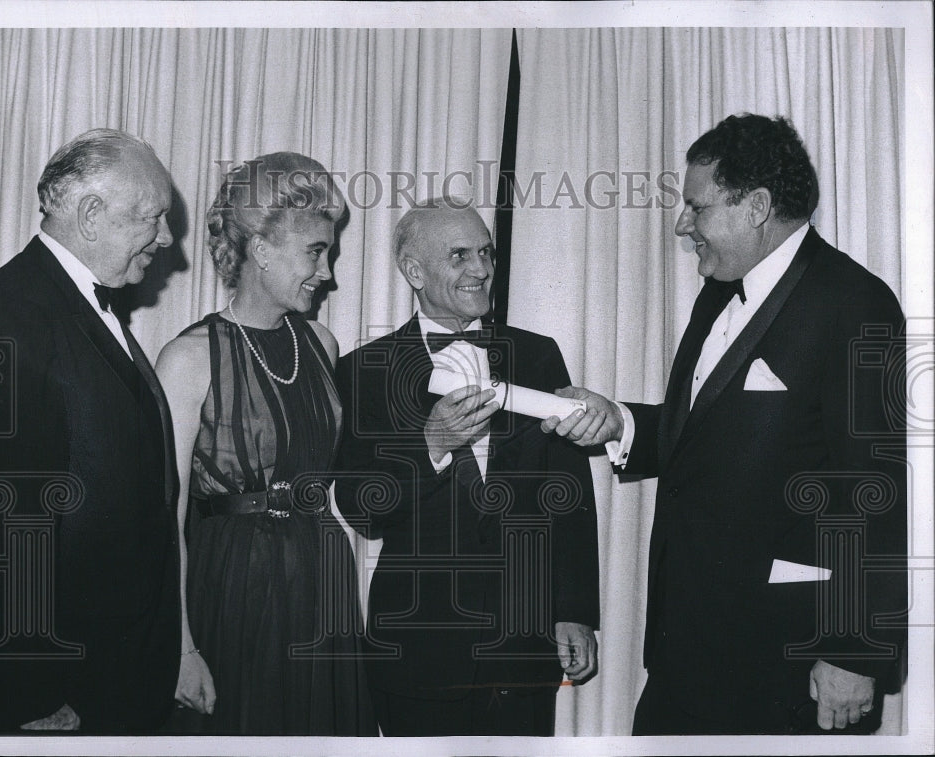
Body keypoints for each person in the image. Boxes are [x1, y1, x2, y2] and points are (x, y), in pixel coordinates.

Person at [543, 114, 907, 735]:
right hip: (685, 652)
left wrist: (854, 652)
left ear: (758, 205)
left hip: (784, 668)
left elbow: (878, 489)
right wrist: (619, 423)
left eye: (697, 207)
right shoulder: (718, 291)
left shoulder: (856, 303)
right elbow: (711, 434)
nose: (683, 225)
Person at [333, 198, 600, 736]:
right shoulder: (361, 371)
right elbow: (362, 510)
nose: (480, 270)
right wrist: (429, 443)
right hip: (417, 653)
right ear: (414, 271)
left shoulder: (537, 355)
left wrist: (575, 610)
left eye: (485, 253)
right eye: (459, 255)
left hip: (523, 652)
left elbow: (569, 493)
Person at [0, 129, 182, 733]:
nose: (165, 239)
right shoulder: (13, 315)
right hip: (60, 694)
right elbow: (0, 525)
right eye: (153, 218)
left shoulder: (72, 302)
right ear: (89, 214)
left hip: (113, 675)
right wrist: (32, 694)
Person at [154, 152, 375, 735]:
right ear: (261, 250)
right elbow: (164, 517)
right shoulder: (188, 358)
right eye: (315, 252)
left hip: (321, 574)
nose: (327, 273)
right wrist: (180, 648)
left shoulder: (321, 343)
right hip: (233, 582)